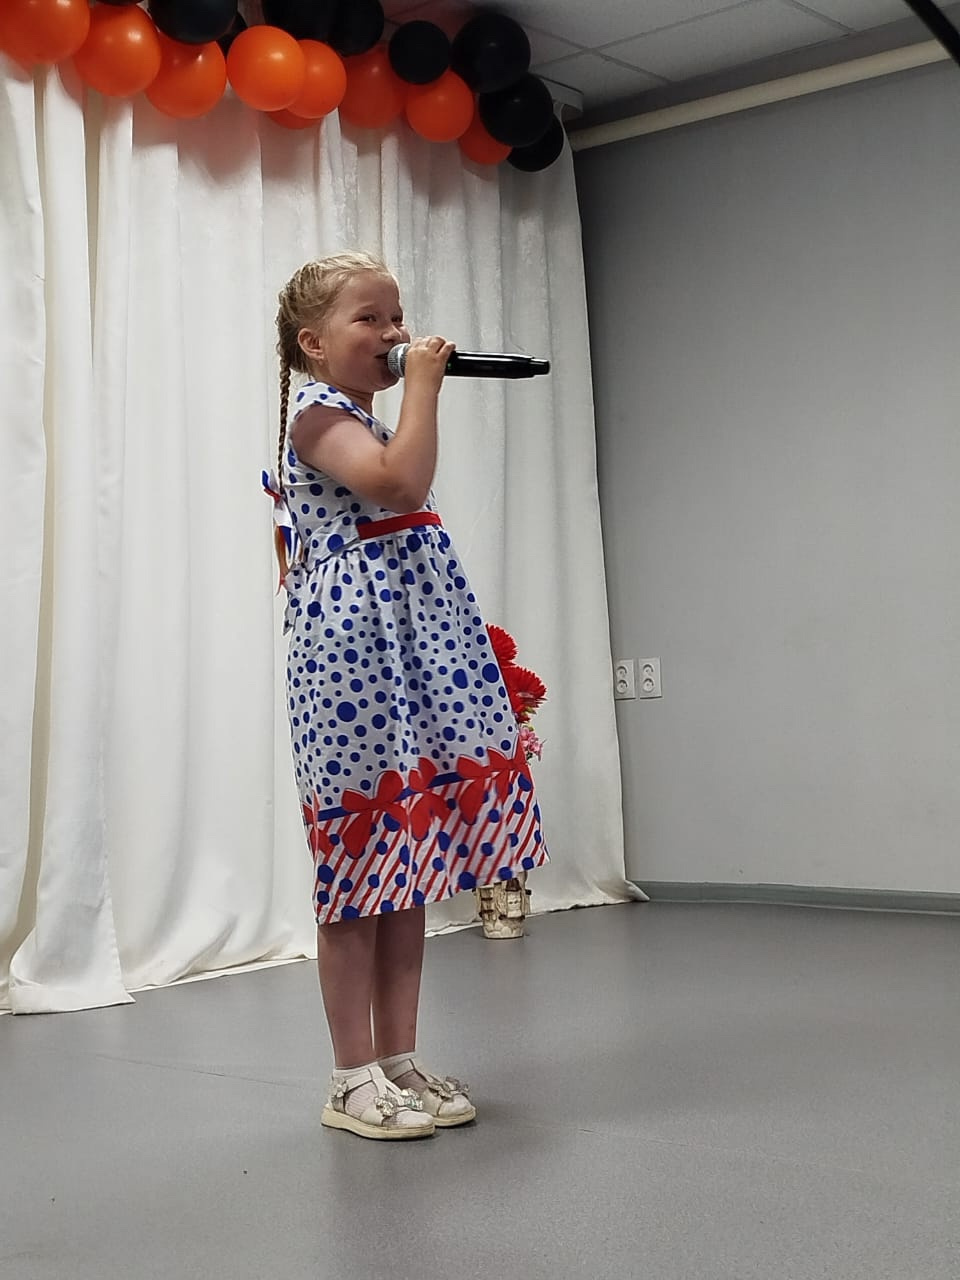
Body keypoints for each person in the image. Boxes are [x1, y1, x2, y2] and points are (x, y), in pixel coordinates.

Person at [264, 251, 548, 1141]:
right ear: (314, 343)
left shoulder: (360, 413)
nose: (394, 332)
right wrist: (424, 385)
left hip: (408, 658)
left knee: (406, 860)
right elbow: (398, 483)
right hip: (353, 665)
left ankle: (398, 1058)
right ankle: (349, 1076)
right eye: (370, 318)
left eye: (398, 316)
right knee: (359, 868)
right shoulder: (317, 415)